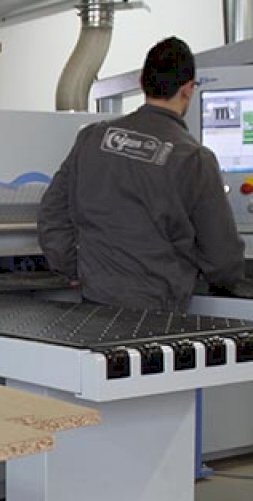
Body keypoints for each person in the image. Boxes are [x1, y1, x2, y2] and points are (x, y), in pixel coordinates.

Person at [38, 36, 245, 312]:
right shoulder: (193, 159)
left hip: (94, 309)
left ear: (142, 83)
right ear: (187, 90)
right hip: (158, 316)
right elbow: (222, 260)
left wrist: (73, 268)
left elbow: (52, 214)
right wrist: (226, 283)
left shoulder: (92, 138)